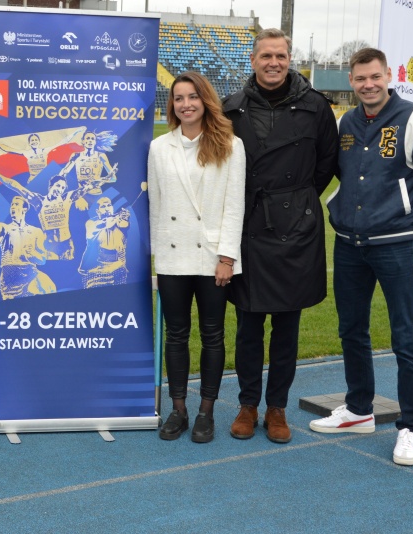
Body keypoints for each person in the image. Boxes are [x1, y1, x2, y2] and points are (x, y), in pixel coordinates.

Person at [309, 48, 413, 466]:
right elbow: (344, 175)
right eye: (360, 79)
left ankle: (411, 428)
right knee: (351, 330)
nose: (368, 85)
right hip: (350, 245)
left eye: (375, 77)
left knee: (406, 338)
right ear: (351, 81)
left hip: (397, 245)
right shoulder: (346, 123)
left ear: (388, 75)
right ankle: (358, 409)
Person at [222, 28, 338, 444]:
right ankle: (248, 404)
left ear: (291, 60)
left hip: (296, 232)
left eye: (281, 56)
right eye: (266, 56)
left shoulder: (316, 107)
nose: (274, 63)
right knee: (248, 327)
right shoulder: (230, 109)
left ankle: (277, 408)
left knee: (287, 328)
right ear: (253, 60)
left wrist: (299, 205)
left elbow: (325, 165)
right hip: (248, 229)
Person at [149, 71, 246, 444]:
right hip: (173, 257)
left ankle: (205, 411)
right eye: (178, 98)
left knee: (212, 335)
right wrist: (158, 256)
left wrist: (227, 257)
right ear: (172, 105)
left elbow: (233, 207)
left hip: (212, 258)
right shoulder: (160, 148)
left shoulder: (230, 145)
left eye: (192, 97)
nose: (186, 104)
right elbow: (157, 205)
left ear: (205, 100)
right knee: (176, 335)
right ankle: (178, 409)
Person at [0, 167, 87, 260]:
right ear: (50, 186)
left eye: (63, 188)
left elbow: (87, 188)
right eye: (58, 186)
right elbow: (17, 187)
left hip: (67, 245)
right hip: (50, 247)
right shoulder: (39, 201)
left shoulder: (66, 199)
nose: (60, 189)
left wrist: (96, 183)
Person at [0, 193, 55, 298]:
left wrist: (32, 255)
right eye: (12, 205)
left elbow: (42, 260)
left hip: (30, 271)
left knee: (49, 287)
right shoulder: (5, 229)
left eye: (16, 204)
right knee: (13, 308)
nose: (13, 207)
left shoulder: (35, 231)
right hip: (10, 273)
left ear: (24, 209)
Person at [79, 196, 131, 288]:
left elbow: (124, 224)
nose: (107, 208)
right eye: (103, 206)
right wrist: (109, 221)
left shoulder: (119, 221)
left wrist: (125, 218)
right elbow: (101, 225)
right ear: (97, 211)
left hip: (117, 268)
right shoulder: (91, 223)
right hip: (95, 270)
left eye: (109, 205)